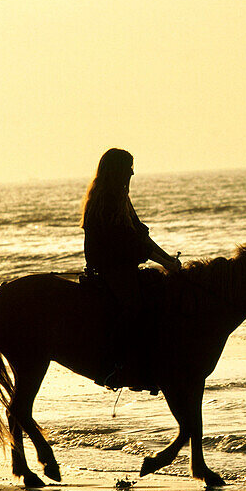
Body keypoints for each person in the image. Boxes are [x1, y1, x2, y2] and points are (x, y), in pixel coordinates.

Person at [79, 148, 180, 388]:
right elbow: (128, 242)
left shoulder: (120, 197)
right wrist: (163, 262)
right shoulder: (106, 200)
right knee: (134, 305)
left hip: (122, 265)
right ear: (117, 171)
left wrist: (168, 259)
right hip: (109, 267)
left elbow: (140, 235)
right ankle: (111, 366)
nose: (133, 172)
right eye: (128, 168)